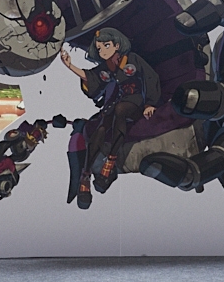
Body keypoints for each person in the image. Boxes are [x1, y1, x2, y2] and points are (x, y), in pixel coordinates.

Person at [60, 27, 160, 208]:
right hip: (119, 102)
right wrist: (70, 66)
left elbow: (150, 77)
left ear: (117, 45)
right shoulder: (108, 67)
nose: (102, 51)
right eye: (99, 48)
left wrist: (150, 104)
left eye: (106, 46)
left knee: (120, 109)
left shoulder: (133, 59)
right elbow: (92, 77)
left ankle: (111, 159)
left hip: (136, 102)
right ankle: (85, 174)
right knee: (102, 126)